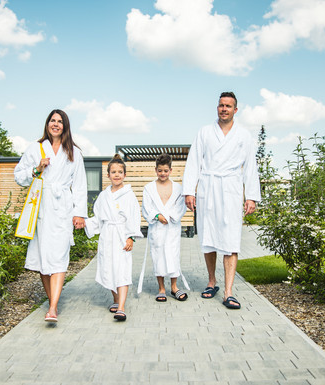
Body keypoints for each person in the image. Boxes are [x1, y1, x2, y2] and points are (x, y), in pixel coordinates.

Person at [182, 91, 261, 309]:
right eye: (220, 105)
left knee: (231, 238)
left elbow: (250, 166)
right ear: (217, 108)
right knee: (208, 236)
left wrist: (251, 196)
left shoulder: (244, 135)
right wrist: (189, 190)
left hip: (231, 189)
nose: (223, 109)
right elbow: (194, 161)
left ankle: (228, 292)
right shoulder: (205, 132)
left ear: (235, 110)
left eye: (228, 106)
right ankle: (211, 281)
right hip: (208, 187)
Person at [14, 109, 87, 323]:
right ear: (47, 124)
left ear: (65, 126)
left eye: (60, 121)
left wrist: (79, 214)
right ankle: (51, 300)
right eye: (52, 121)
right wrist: (36, 170)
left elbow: (80, 185)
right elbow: (19, 176)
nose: (56, 124)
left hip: (63, 207)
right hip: (42, 208)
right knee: (43, 257)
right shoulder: (35, 148)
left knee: (59, 256)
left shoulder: (74, 152)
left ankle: (53, 307)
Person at [85, 154, 142, 321]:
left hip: (121, 235)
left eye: (120, 172)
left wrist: (131, 237)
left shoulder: (129, 195)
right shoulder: (104, 196)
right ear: (108, 175)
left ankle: (122, 307)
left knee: (122, 269)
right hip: (107, 236)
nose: (116, 175)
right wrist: (85, 223)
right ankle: (116, 300)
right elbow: (97, 218)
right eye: (113, 172)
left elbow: (134, 216)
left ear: (125, 174)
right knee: (108, 268)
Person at [141, 153, 189, 302]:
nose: (163, 173)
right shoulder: (149, 188)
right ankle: (161, 288)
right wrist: (156, 216)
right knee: (158, 256)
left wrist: (170, 216)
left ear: (171, 170)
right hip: (157, 228)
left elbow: (181, 207)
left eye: (166, 171)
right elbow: (146, 208)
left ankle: (174, 287)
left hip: (172, 227)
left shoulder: (178, 188)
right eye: (160, 170)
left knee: (173, 254)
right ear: (156, 170)